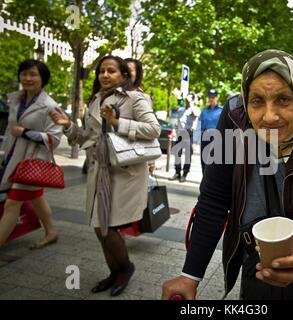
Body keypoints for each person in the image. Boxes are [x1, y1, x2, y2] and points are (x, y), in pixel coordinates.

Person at [162, 49, 293, 300]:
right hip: (259, 271)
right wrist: (190, 276)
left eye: (283, 99)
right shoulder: (235, 118)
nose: (269, 117)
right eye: (257, 101)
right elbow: (214, 200)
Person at [49, 55, 161, 297]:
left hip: (125, 173)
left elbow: (154, 129)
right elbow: (88, 137)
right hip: (99, 170)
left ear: (123, 75)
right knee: (99, 228)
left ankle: (126, 268)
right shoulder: (96, 100)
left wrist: (118, 122)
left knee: (107, 227)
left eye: (111, 71)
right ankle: (115, 272)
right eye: (102, 71)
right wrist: (68, 125)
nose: (105, 75)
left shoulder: (134, 98)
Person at [0, 59, 62, 248]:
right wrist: (4, 157)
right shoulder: (16, 100)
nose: (27, 78)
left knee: (12, 205)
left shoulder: (50, 106)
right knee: (36, 195)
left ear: (43, 79)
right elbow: (11, 132)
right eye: (24, 73)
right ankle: (51, 232)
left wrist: (26, 133)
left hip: (32, 161)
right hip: (13, 158)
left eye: (33, 74)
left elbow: (55, 138)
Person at [169, 92, 200, 182]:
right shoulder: (182, 109)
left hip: (189, 134)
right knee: (177, 153)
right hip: (180, 133)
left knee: (187, 155)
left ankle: (185, 174)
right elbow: (178, 120)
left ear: (193, 100)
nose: (187, 100)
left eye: (189, 99)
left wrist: (191, 103)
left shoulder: (196, 108)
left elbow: (195, 114)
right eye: (187, 99)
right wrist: (174, 130)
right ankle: (177, 172)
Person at [198, 89, 223, 173]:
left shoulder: (221, 111)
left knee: (214, 161)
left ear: (216, 98)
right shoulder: (204, 111)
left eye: (213, 97)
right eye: (210, 97)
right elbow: (199, 125)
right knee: (203, 160)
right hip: (204, 138)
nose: (211, 99)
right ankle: (204, 180)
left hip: (216, 138)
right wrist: (196, 140)